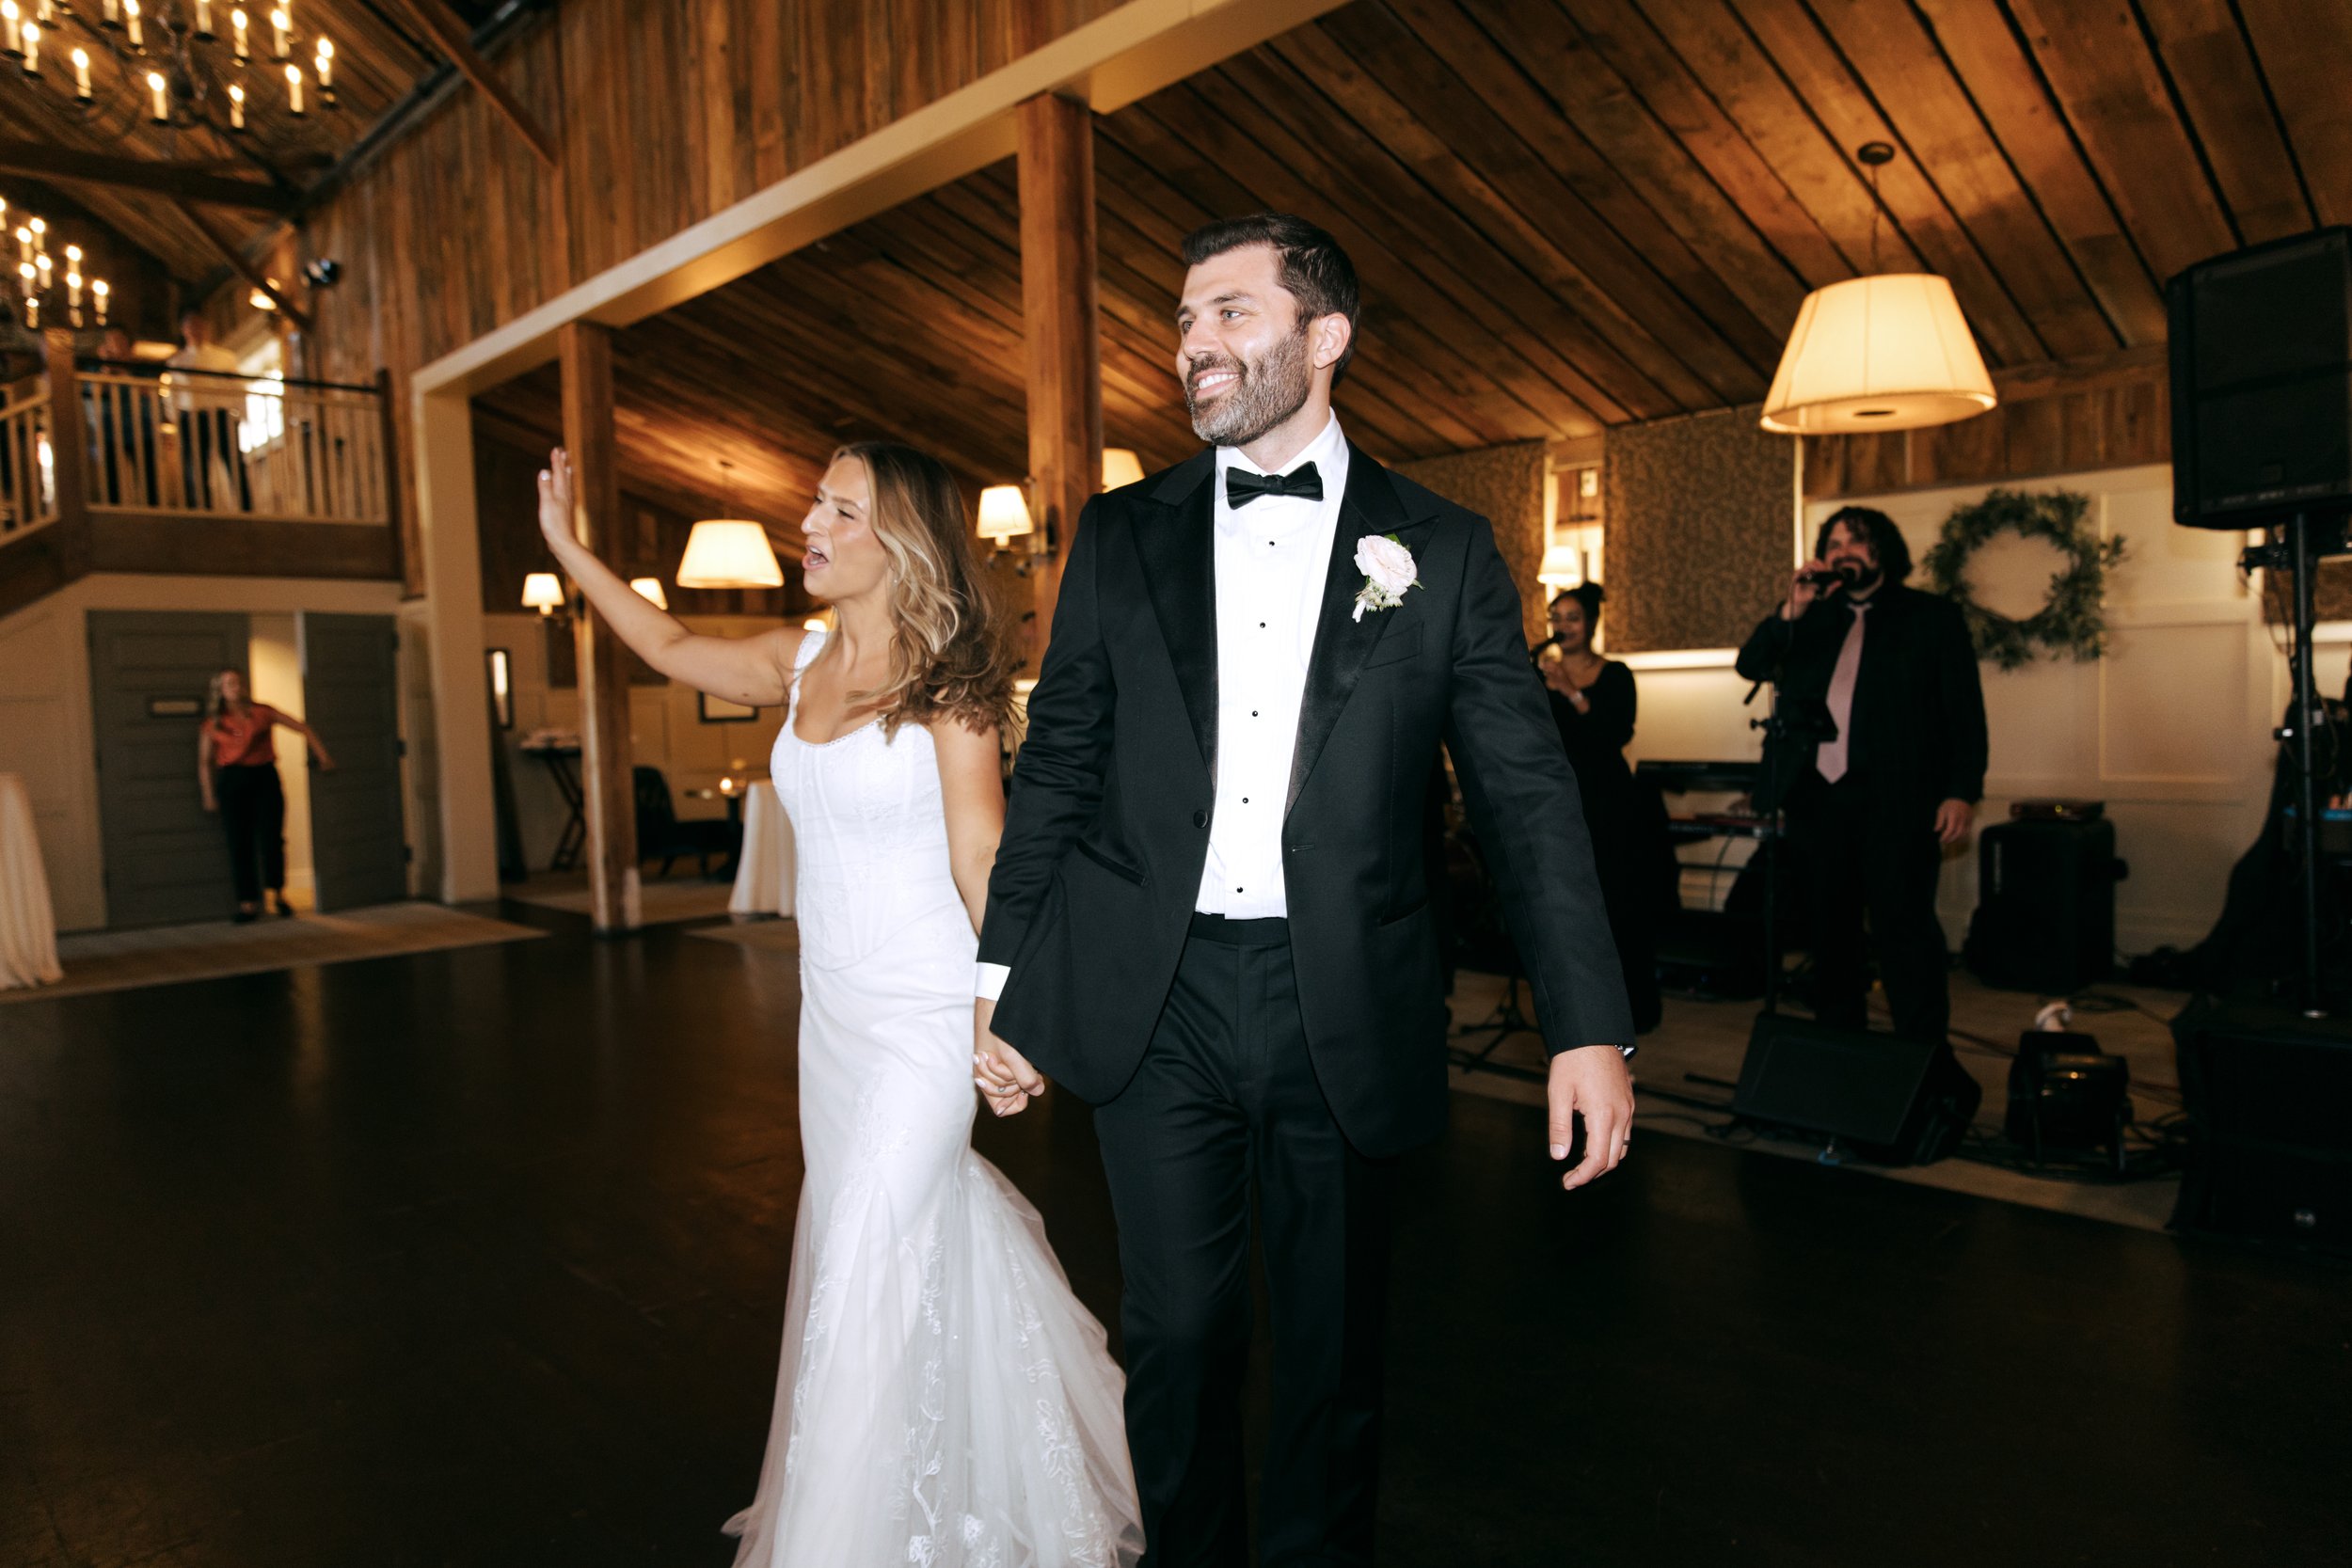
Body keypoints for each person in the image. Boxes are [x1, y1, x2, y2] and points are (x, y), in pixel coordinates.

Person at [973, 213, 1634, 1568]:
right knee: (1176, 1334)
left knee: (1331, 1352)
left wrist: (1586, 1024)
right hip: (1155, 996)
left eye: (1230, 312)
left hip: (1345, 993)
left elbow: (1526, 799)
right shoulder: (1122, 532)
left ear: (1325, 336)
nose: (1192, 343)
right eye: (1183, 319)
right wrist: (1002, 974)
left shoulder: (1441, 547)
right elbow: (1059, 767)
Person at [532, 442, 1141, 1567]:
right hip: (833, 1026)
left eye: (840, 508)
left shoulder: (949, 682)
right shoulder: (796, 657)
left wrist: (1006, 1006)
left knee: (863, 1262)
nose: (809, 523)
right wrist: (571, 548)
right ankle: (958, 1483)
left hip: (921, 1020)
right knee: (879, 1245)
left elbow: (982, 854)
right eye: (814, 501)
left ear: (900, 541)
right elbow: (666, 643)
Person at [1735, 505, 1987, 1044]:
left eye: (1856, 541)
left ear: (1883, 550)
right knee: (1831, 934)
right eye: (1834, 543)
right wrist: (1791, 610)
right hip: (1818, 800)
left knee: (1904, 930)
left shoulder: (1930, 616)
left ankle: (1921, 1055)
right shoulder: (1811, 618)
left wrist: (1961, 791)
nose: (1843, 551)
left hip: (1899, 800)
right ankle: (1839, 1051)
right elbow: (1751, 664)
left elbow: (1964, 712)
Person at [1534, 583, 1668, 1033]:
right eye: (1556, 618)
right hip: (1559, 799)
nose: (1563, 626)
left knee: (1618, 902)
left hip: (1609, 802)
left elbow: (1614, 734)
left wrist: (1571, 691)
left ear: (1590, 623)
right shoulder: (1539, 673)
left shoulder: (1615, 675)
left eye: (1572, 618)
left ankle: (1634, 1010)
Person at [198, 670, 335, 922]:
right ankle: (247, 903)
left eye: (238, 682)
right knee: (239, 842)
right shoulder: (213, 723)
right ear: (221, 690)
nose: (236, 687)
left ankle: (278, 894)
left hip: (264, 777)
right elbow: (205, 762)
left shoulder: (263, 712)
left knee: (272, 838)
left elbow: (302, 727)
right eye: (230, 684)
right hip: (232, 780)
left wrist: (323, 756)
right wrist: (208, 795)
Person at [166, 310, 250, 512]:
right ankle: (201, 508)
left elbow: (236, 386)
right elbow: (172, 395)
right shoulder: (177, 362)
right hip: (191, 416)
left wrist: (241, 412)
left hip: (220, 414)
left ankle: (246, 507)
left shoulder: (224, 358)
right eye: (191, 326)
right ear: (184, 330)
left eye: (199, 325)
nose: (195, 330)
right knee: (195, 466)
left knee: (233, 462)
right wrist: (175, 419)